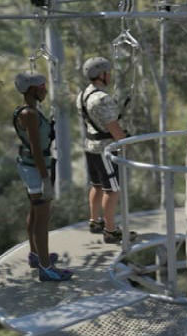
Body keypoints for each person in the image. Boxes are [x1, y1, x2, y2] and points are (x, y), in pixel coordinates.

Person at [13, 71, 72, 281]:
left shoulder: (29, 111)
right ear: (32, 89)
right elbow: (37, 149)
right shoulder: (29, 114)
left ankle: (36, 255)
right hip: (36, 169)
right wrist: (45, 177)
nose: (45, 90)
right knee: (42, 218)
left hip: (30, 167)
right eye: (42, 86)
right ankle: (46, 268)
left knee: (34, 211)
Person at [77, 57, 136, 244]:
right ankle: (110, 231)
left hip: (90, 146)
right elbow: (114, 129)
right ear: (101, 75)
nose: (109, 75)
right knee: (112, 191)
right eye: (107, 72)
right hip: (105, 150)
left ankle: (95, 221)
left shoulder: (83, 95)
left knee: (96, 185)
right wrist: (126, 140)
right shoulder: (102, 99)